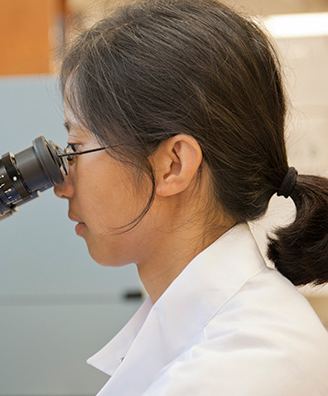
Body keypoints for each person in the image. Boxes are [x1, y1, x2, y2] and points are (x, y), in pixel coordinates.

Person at [53, 0, 328, 394]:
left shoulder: (250, 364)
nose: (62, 185)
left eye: (75, 147)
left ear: (172, 165)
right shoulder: (204, 324)